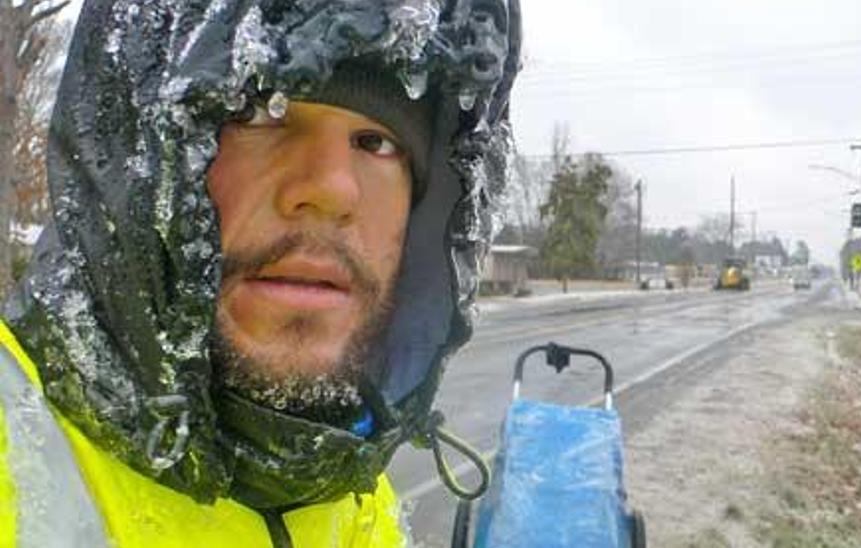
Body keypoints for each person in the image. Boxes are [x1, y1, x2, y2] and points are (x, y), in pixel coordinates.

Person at [0, 0, 521, 545]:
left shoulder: (350, 492)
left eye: (377, 143)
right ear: (135, 149)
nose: (332, 190)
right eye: (258, 113)